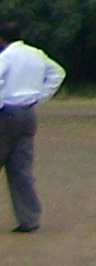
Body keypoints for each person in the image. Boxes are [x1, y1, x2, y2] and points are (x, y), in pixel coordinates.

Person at [0, 22, 67, 235]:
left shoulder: (6, 57)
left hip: (6, 113)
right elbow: (58, 72)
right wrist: (40, 96)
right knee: (21, 169)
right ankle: (29, 218)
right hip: (27, 113)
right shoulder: (36, 54)